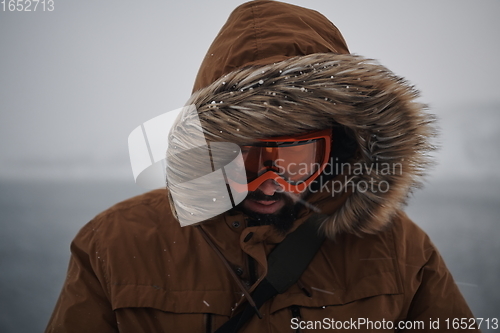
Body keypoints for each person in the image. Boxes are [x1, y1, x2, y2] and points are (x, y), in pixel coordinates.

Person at [45, 1, 478, 332]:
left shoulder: (399, 251)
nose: (270, 185)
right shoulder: (116, 243)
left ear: (339, 150)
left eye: (295, 158)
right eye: (243, 157)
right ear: (207, 149)